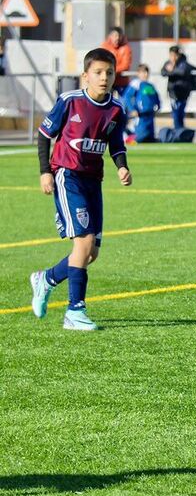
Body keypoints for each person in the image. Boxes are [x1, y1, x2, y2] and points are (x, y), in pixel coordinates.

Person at [29, 47, 132, 332]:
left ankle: (46, 279)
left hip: (93, 181)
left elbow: (116, 143)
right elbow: (44, 135)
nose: (104, 78)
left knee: (90, 254)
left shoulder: (116, 108)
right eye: (98, 72)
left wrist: (121, 166)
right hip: (67, 175)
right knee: (83, 244)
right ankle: (75, 311)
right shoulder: (69, 101)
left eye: (109, 73)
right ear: (85, 76)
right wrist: (45, 172)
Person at [160, 45, 196, 131]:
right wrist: (170, 71)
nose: (172, 58)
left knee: (180, 112)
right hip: (173, 92)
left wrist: (171, 71)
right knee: (175, 113)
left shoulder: (183, 63)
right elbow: (163, 72)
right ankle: (179, 130)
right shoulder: (168, 63)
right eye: (171, 55)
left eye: (174, 55)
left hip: (183, 92)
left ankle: (180, 130)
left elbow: (182, 72)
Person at [123, 64, 160, 143]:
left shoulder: (150, 85)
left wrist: (158, 106)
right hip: (141, 115)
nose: (145, 74)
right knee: (140, 138)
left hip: (150, 114)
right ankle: (126, 138)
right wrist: (132, 109)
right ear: (138, 74)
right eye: (143, 72)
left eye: (146, 72)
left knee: (150, 138)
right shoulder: (136, 84)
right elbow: (127, 96)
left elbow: (156, 97)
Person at [99, 27, 132, 96]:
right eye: (115, 36)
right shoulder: (105, 47)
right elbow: (101, 62)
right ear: (110, 36)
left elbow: (126, 65)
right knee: (105, 101)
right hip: (107, 80)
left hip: (121, 81)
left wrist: (112, 70)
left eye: (119, 36)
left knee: (124, 101)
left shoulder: (126, 48)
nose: (117, 38)